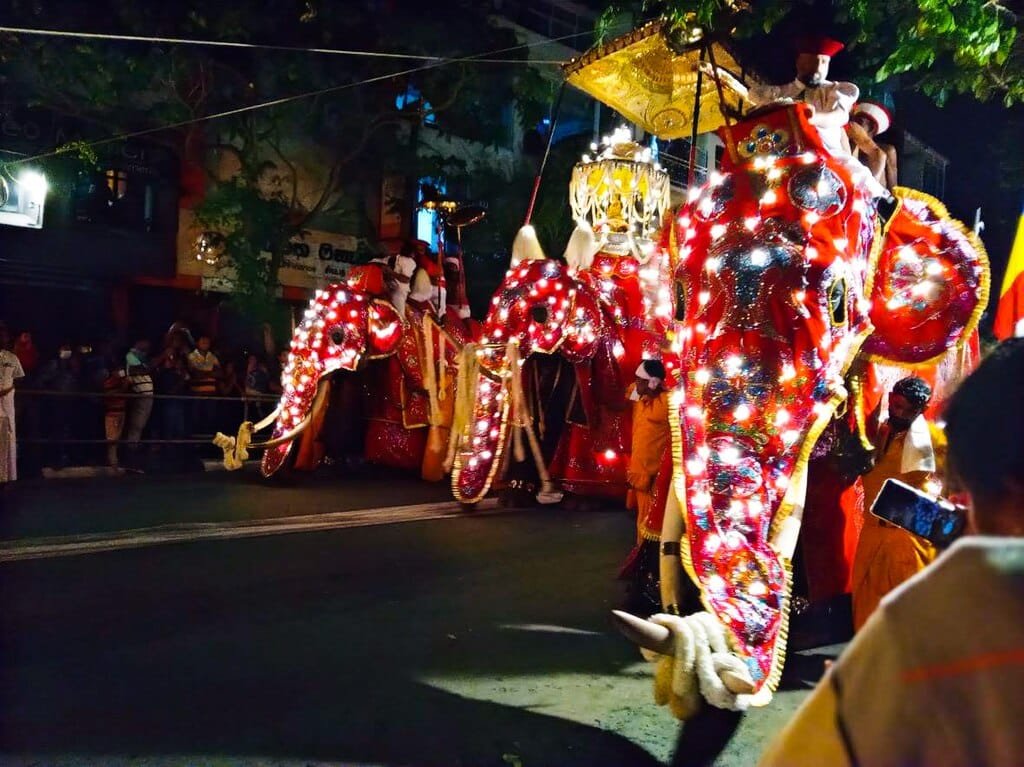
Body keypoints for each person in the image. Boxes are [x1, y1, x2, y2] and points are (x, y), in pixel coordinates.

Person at [760, 339, 1024, 766]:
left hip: (900, 540)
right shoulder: (882, 432)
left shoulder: (936, 622)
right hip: (879, 532)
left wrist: (870, 675)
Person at [707, 35, 889, 200]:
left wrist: (813, 118)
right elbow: (753, 100)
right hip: (780, 154)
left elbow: (839, 115)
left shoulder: (835, 91)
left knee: (855, 176)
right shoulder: (780, 93)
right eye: (812, 62)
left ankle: (877, 203)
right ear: (800, 62)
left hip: (825, 153)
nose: (818, 68)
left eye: (823, 62)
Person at [851, 376, 946, 630]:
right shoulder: (878, 431)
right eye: (895, 405)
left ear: (920, 411)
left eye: (906, 409)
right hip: (873, 532)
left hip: (905, 536)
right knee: (866, 609)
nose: (898, 412)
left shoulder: (925, 440)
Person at [36, 341, 82, 469]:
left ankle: (68, 457)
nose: (66, 351)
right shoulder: (54, 364)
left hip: (72, 400)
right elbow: (42, 380)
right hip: (57, 401)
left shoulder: (74, 364)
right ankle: (56, 458)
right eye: (64, 348)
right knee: (57, 430)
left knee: (69, 430)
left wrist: (75, 369)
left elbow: (78, 380)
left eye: (68, 349)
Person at [847, 101, 898, 190]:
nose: (855, 124)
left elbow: (894, 189)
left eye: (860, 122)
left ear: (872, 128)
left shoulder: (887, 151)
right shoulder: (848, 140)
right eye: (855, 120)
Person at [0, 322, 26, 489]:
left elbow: (19, 378)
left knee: (6, 440)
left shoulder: (11, 358)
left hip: (7, 408)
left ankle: (4, 476)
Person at [124, 337, 154, 471]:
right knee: (136, 426)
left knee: (140, 427)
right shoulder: (131, 355)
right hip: (140, 395)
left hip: (146, 395)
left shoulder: (142, 356)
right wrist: (151, 365)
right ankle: (130, 460)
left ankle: (135, 459)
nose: (148, 344)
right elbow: (137, 370)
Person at [100, 350, 131, 470]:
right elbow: (108, 395)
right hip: (112, 413)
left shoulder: (122, 381)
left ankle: (116, 462)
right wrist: (123, 387)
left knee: (118, 439)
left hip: (122, 411)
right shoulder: (108, 382)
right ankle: (113, 463)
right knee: (112, 440)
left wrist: (125, 384)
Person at [187, 335, 221, 434]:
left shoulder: (212, 356)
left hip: (211, 393)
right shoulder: (191, 356)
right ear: (197, 343)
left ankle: (207, 443)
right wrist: (210, 373)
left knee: (210, 420)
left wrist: (202, 373)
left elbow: (220, 373)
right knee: (196, 419)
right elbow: (194, 374)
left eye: (207, 341)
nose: (205, 343)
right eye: (203, 341)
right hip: (197, 394)